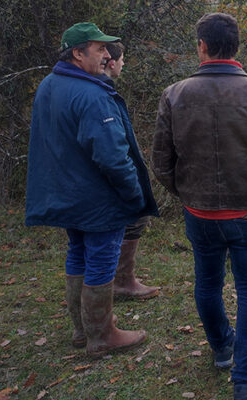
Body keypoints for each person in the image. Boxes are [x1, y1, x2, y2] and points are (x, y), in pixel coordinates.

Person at [152, 12, 247, 400]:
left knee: (207, 282)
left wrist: (187, 195)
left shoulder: (175, 94)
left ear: (202, 46)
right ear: (237, 46)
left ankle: (222, 349)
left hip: (199, 212)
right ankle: (245, 379)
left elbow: (161, 163)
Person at [25, 22, 159, 358]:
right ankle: (102, 336)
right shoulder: (93, 95)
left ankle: (81, 331)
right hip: (96, 197)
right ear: (78, 52)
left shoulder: (49, 85)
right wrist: (133, 194)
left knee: (78, 253)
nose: (106, 55)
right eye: (99, 49)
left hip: (66, 192)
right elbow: (113, 157)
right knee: (100, 257)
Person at [98, 41, 160, 300]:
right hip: (109, 177)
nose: (123, 64)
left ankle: (122, 279)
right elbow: (109, 147)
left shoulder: (100, 90)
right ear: (112, 62)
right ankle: (121, 281)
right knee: (134, 217)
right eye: (122, 59)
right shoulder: (99, 93)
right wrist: (130, 181)